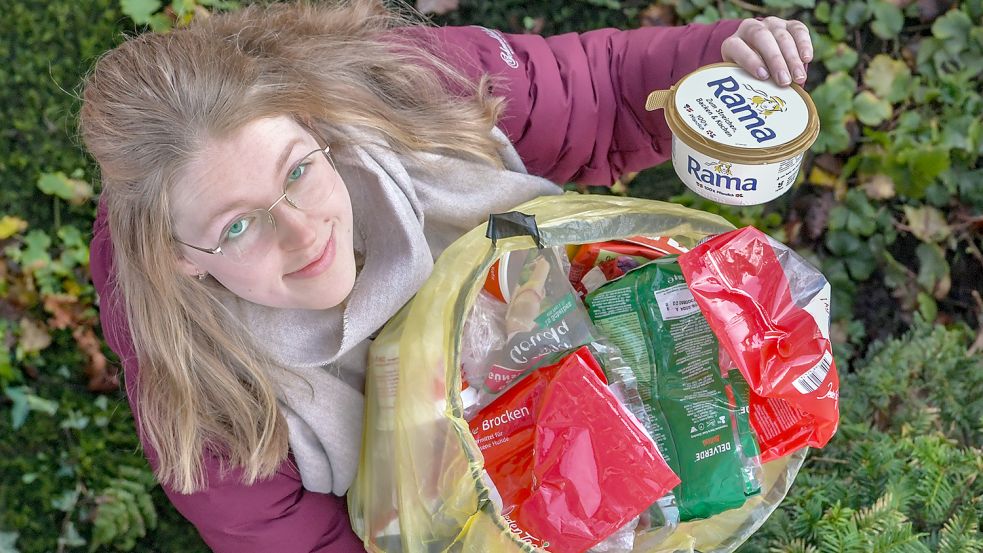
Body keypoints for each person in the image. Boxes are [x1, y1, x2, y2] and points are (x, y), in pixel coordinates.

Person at [81, 1, 813, 550]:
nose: (303, 233)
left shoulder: (417, 89)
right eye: (237, 226)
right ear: (181, 258)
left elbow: (606, 89)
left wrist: (714, 65)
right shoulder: (204, 406)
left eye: (299, 171)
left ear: (317, 128)